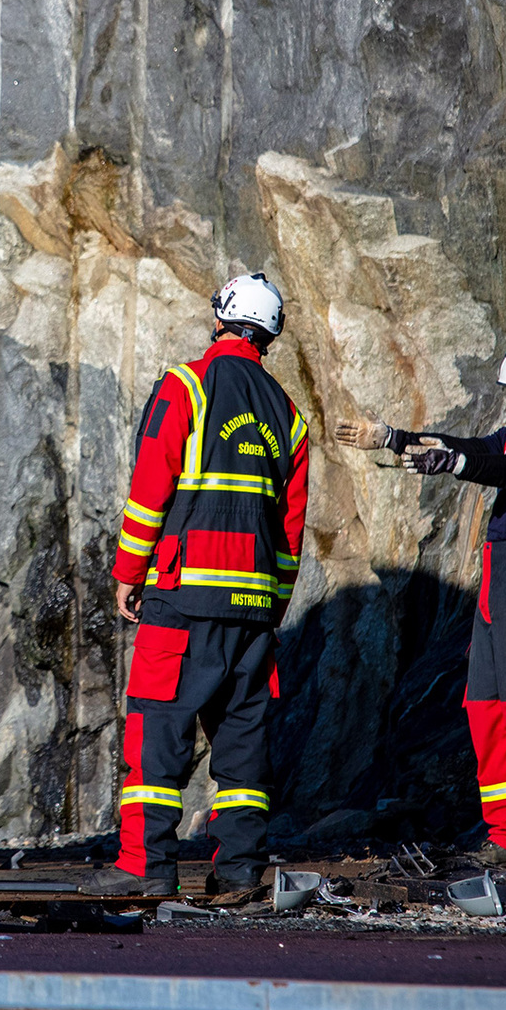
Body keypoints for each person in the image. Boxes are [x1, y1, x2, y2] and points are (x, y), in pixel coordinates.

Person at [83, 274, 309, 899]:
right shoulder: (288, 413)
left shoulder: (186, 385)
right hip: (254, 610)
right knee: (241, 743)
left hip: (182, 599)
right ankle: (238, 870)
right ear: (268, 333)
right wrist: (270, 608)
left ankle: (146, 867)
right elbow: (290, 530)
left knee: (157, 731)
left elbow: (151, 488)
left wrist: (128, 574)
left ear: (222, 319)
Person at [337, 332, 506, 867]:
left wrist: (455, 465)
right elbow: (470, 448)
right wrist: (391, 437)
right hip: (497, 593)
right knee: (486, 714)